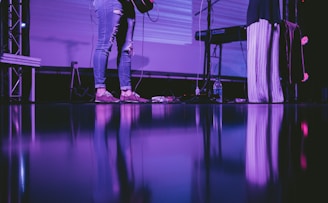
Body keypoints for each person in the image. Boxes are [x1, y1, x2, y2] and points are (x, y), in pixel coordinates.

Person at [92, 0, 149, 103]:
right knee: (104, 44)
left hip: (128, 5)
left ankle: (126, 92)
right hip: (110, 2)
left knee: (126, 49)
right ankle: (100, 92)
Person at [246, 0, 285, 103]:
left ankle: (271, 94)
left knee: (270, 60)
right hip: (257, 13)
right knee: (257, 57)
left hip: (270, 13)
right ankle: (259, 95)